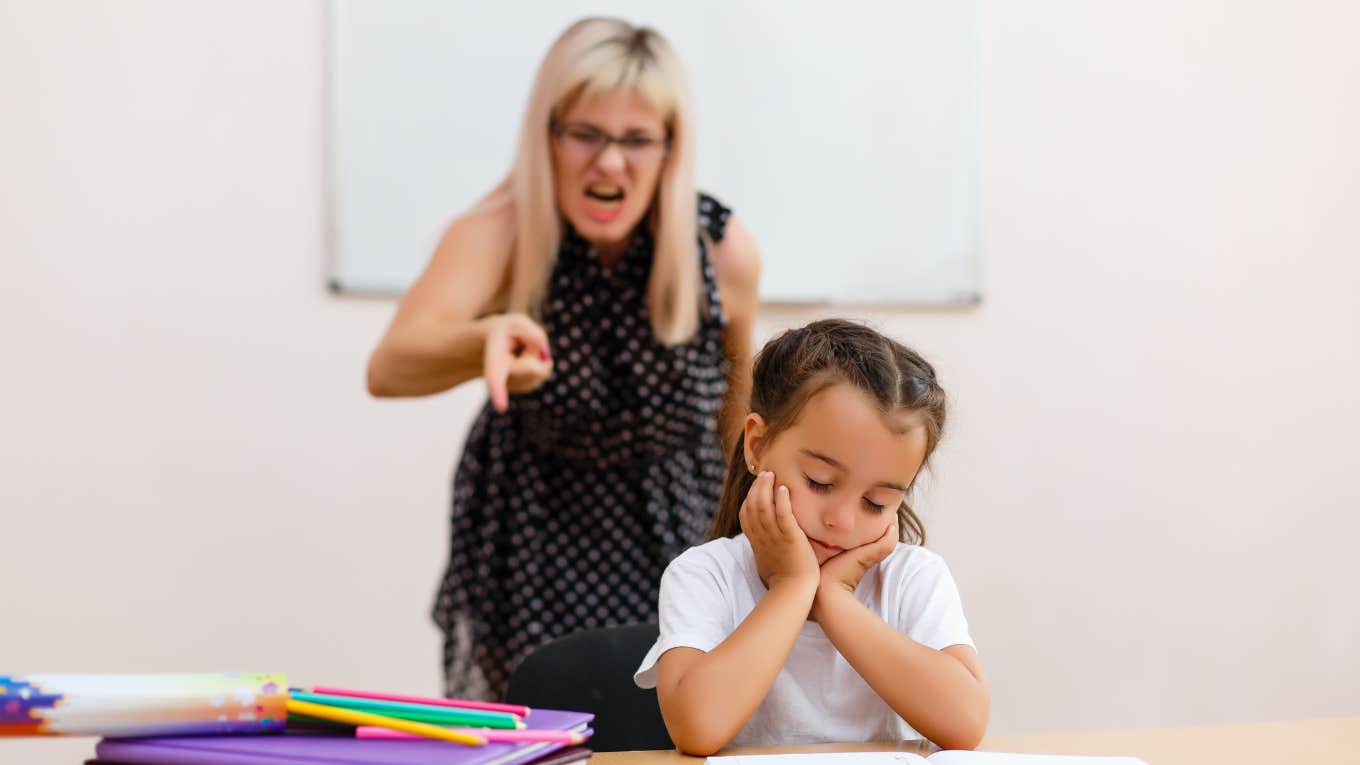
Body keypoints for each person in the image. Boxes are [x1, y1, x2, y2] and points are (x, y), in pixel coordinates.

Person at [366, 17, 761, 702]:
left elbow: (740, 413)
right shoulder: (504, 232)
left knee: (679, 717)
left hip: (680, 519)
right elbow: (390, 364)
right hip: (535, 530)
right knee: (544, 720)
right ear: (546, 135)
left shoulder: (721, 251)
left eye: (637, 139)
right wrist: (479, 340)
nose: (609, 163)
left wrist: (761, 543)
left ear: (670, 149)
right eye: (585, 134)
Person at [633, 319, 989, 754]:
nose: (841, 520)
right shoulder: (704, 575)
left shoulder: (912, 577)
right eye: (820, 482)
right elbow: (698, 728)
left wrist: (834, 597)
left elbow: (965, 723)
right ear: (757, 446)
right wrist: (793, 586)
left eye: (876, 503)